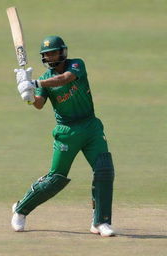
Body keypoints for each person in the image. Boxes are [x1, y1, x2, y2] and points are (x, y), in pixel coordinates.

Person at [12, 35, 116, 237]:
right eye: (47, 54)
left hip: (91, 126)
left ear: (63, 52)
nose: (51, 56)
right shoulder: (43, 79)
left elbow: (65, 78)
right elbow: (39, 105)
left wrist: (34, 82)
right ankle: (20, 209)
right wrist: (27, 95)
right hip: (67, 132)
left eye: (54, 52)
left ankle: (100, 222)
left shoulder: (76, 65)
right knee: (55, 179)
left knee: (104, 170)